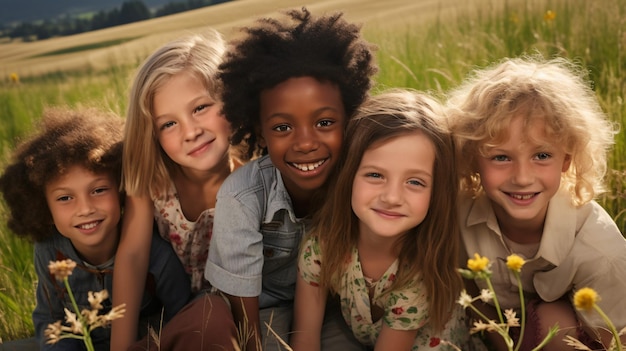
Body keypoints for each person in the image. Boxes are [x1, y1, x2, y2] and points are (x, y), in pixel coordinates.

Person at [204, 7, 378, 351]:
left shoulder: (367, 177)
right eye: (283, 127)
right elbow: (246, 323)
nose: (306, 143)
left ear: (350, 116)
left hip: (340, 309)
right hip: (265, 312)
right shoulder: (242, 198)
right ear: (260, 132)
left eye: (325, 122)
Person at [446, 55, 626, 351]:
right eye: (500, 157)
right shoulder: (459, 216)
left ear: (566, 160)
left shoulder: (601, 253)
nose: (522, 177)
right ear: (472, 158)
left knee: (555, 319)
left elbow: (618, 341)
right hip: (505, 339)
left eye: (542, 156)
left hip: (580, 340)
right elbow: (474, 299)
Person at [289, 89, 472, 351]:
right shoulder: (321, 248)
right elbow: (304, 339)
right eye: (375, 175)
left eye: (415, 182)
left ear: (437, 193)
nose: (392, 197)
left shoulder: (418, 272)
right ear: (348, 175)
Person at [0, 107, 190, 351]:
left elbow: (184, 318)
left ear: (121, 190)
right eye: (65, 198)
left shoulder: (154, 254)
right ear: (43, 208)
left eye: (99, 190)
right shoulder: (49, 252)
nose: (85, 208)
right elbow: (50, 321)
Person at [111, 30, 243, 351]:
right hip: (187, 306)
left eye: (200, 108)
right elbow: (132, 256)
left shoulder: (255, 169)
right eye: (169, 124)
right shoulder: (155, 181)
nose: (191, 132)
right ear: (153, 134)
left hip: (254, 300)